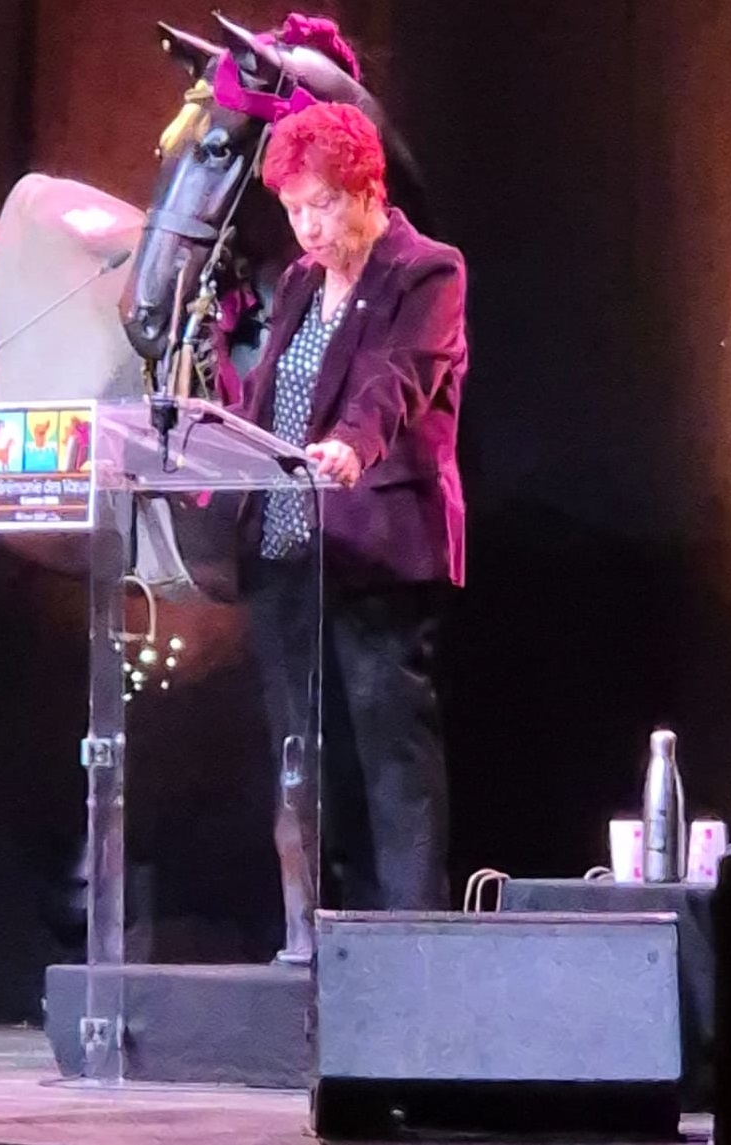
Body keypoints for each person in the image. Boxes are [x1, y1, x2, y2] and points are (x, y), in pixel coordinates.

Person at [234, 101, 468, 961]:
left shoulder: (424, 271)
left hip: (376, 548)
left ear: (368, 189)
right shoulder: (299, 282)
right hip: (285, 550)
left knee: (389, 754)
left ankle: (409, 947)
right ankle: (309, 939)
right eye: (294, 209)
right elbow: (268, 400)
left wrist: (350, 445)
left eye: (322, 204)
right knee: (299, 757)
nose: (307, 226)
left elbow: (399, 378)